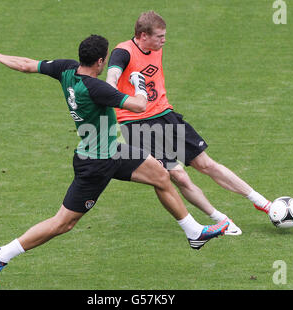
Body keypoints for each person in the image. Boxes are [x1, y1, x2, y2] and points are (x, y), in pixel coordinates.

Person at [0, 35, 229, 288]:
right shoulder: (97, 89)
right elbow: (139, 106)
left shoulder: (65, 68)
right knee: (63, 223)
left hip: (114, 151)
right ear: (100, 61)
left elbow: (25, 64)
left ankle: (193, 232)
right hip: (95, 163)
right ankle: (2, 254)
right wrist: (138, 83)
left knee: (161, 175)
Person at [106, 11, 272, 236]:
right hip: (137, 125)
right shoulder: (123, 52)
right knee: (177, 175)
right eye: (160, 37)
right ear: (143, 35)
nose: (164, 41)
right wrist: (114, 93)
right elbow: (112, 77)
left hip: (165, 115)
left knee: (206, 164)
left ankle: (263, 202)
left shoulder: (154, 48)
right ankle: (220, 219)